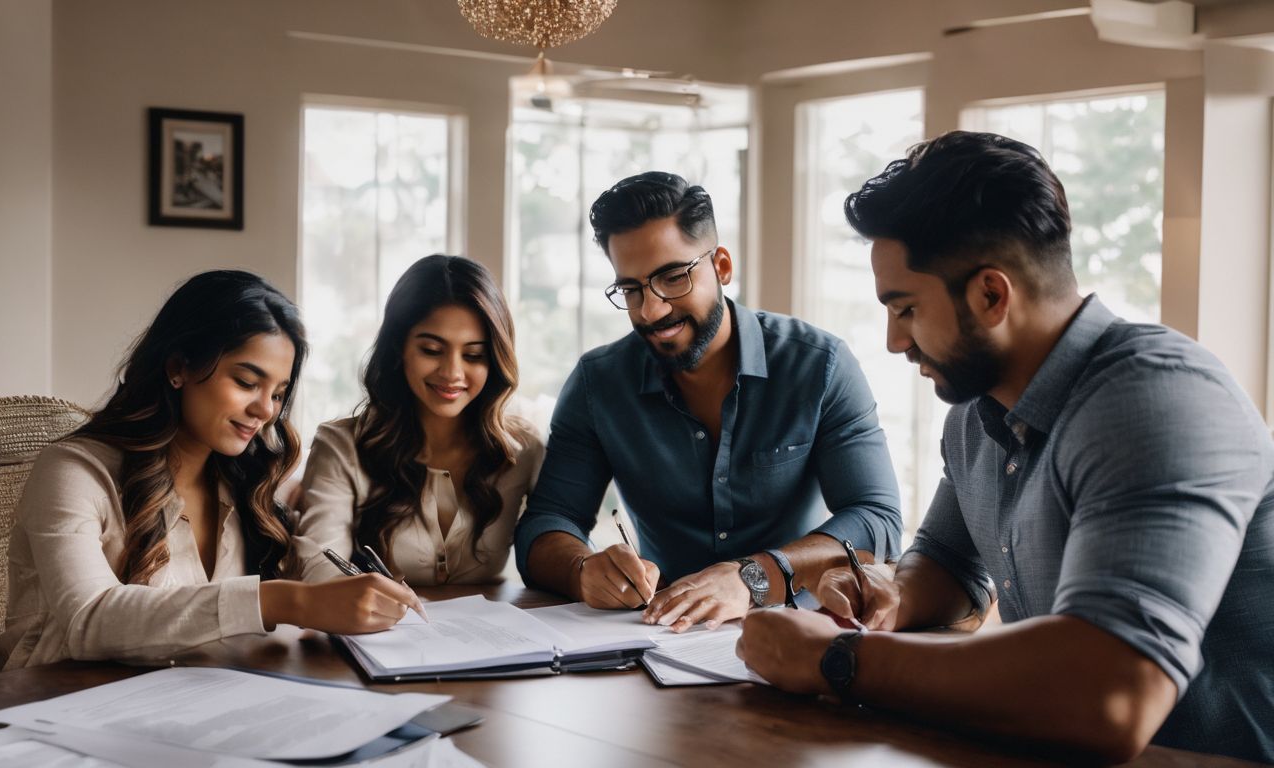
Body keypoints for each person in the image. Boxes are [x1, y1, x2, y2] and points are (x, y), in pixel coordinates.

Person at [736, 131, 1274, 764]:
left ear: (991, 295)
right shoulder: (977, 410)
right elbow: (947, 561)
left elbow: (1113, 695)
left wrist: (837, 660)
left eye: (905, 308)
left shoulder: (1158, 401)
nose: (892, 341)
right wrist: (893, 593)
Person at [515, 171, 903, 633]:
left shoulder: (820, 366)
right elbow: (546, 524)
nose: (651, 310)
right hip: (660, 637)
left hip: (803, 630)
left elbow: (877, 519)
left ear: (721, 266)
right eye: (632, 289)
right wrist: (583, 570)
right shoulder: (598, 383)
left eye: (672, 277)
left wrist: (753, 577)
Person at [0, 270, 419, 669]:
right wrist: (283, 601)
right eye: (247, 383)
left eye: (278, 393)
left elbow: (304, 575)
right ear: (178, 367)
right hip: (57, 713)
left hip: (200, 705)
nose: (264, 410)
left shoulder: (243, 482)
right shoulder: (72, 472)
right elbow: (89, 620)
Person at [296, 255, 543, 585]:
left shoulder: (523, 449)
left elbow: (557, 536)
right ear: (399, 348)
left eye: (473, 355)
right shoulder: (341, 448)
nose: (452, 372)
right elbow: (320, 573)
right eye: (431, 349)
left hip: (492, 633)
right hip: (376, 633)